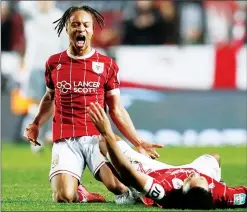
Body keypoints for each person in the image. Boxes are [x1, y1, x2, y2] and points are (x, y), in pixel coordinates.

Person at [24, 5, 162, 203]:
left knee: (119, 187)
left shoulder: (106, 64)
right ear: (67, 29)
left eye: (86, 25)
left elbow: (116, 109)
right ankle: (81, 193)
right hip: (66, 138)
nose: (81, 29)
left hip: (96, 139)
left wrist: (138, 142)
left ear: (92, 30)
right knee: (63, 196)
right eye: (76, 24)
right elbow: (49, 97)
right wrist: (37, 123)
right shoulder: (54, 63)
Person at [87, 102, 247, 209]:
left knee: (105, 143)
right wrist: (202, 177)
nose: (194, 175)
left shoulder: (164, 192)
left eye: (191, 178)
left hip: (153, 172)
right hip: (187, 173)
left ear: (183, 189)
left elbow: (128, 172)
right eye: (203, 179)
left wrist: (107, 132)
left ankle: (133, 194)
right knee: (214, 157)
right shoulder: (221, 194)